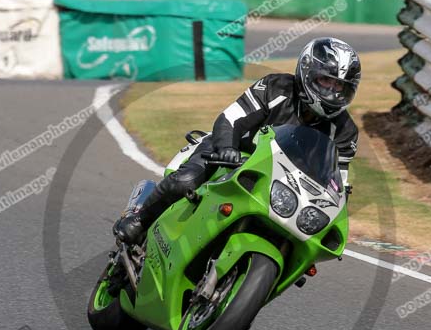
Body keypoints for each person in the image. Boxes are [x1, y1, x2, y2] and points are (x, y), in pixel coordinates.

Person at [113, 37, 361, 246]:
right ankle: (140, 218)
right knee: (185, 180)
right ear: (307, 72)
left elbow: (339, 185)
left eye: (340, 85)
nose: (333, 91)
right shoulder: (276, 88)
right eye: (326, 80)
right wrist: (227, 149)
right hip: (231, 154)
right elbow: (231, 119)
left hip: (281, 186)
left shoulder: (345, 131)